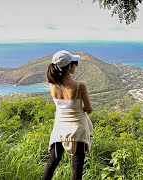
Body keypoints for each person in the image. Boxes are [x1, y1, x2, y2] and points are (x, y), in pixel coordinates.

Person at [42, 50, 93, 180]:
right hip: (78, 128)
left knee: (52, 162)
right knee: (77, 167)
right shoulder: (79, 86)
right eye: (74, 64)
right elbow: (88, 109)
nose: (75, 66)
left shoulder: (52, 85)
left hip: (59, 128)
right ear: (69, 67)